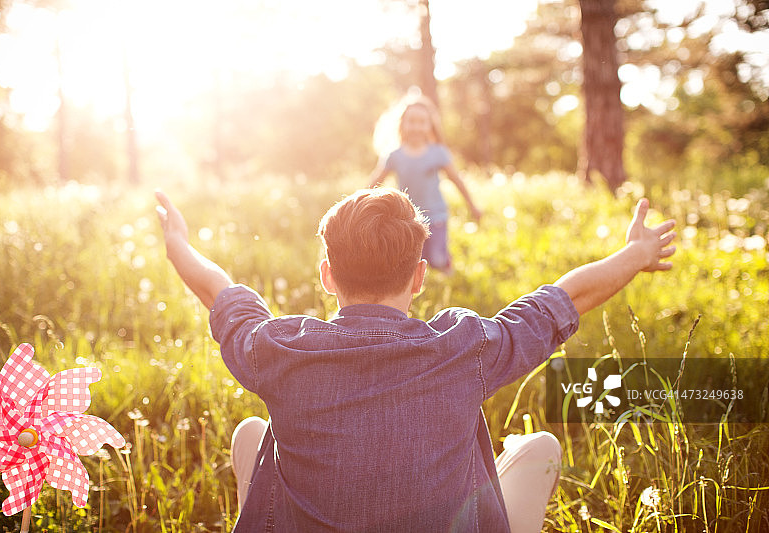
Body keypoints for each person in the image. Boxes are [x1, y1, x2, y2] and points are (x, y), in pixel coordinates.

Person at [155, 188, 676, 532]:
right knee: (537, 447)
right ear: (420, 277)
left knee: (252, 434)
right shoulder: (464, 347)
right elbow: (560, 300)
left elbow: (220, 292)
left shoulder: (280, 352)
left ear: (326, 276)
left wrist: (177, 243)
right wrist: (636, 254)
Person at [369, 96, 482, 272]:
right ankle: (420, 291)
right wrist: (359, 207)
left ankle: (447, 274)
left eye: (422, 122)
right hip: (408, 219)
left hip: (436, 216)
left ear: (430, 125)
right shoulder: (394, 156)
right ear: (402, 124)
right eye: (411, 121)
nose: (416, 127)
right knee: (412, 262)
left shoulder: (438, 153)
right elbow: (375, 181)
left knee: (436, 260)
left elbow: (457, 180)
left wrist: (472, 205)